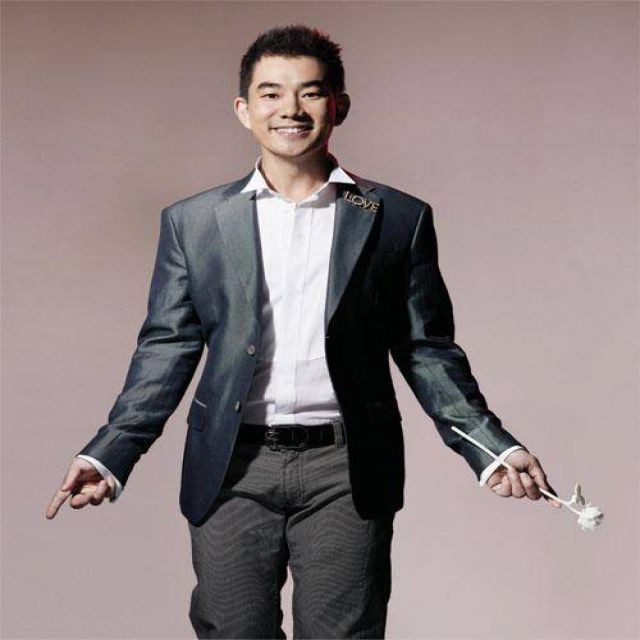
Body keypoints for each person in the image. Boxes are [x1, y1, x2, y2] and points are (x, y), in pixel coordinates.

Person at [46, 24, 562, 640]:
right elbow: (168, 346)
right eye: (270, 93)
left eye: (310, 92)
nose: (289, 109)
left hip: (347, 468)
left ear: (338, 105)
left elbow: (426, 347)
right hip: (231, 467)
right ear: (244, 109)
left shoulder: (395, 218)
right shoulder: (195, 222)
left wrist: (490, 446)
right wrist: (111, 451)